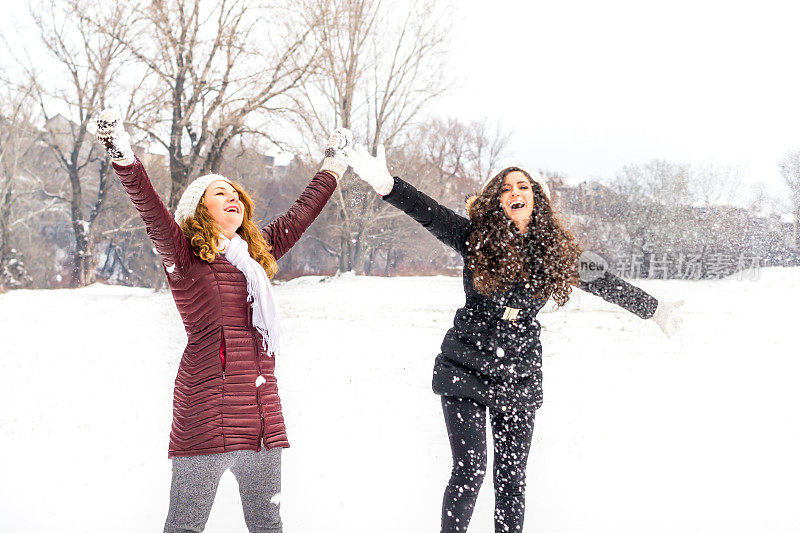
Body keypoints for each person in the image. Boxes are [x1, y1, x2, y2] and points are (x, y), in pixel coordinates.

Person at [344, 144, 682, 533]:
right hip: (466, 362)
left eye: (523, 186)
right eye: (506, 188)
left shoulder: (560, 252)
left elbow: (607, 283)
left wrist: (655, 309)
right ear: (497, 200)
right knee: (470, 470)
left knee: (511, 482)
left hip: (518, 368)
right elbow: (428, 212)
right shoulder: (475, 237)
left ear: (537, 198)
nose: (515, 192)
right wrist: (387, 184)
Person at [95, 109, 351, 533]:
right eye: (219, 193)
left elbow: (300, 215)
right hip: (205, 419)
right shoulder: (184, 254)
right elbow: (150, 207)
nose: (232, 195)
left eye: (235, 192)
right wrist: (122, 154)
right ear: (198, 210)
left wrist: (333, 166)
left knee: (268, 524)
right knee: (185, 525)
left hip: (261, 421)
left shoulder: (254, 256)